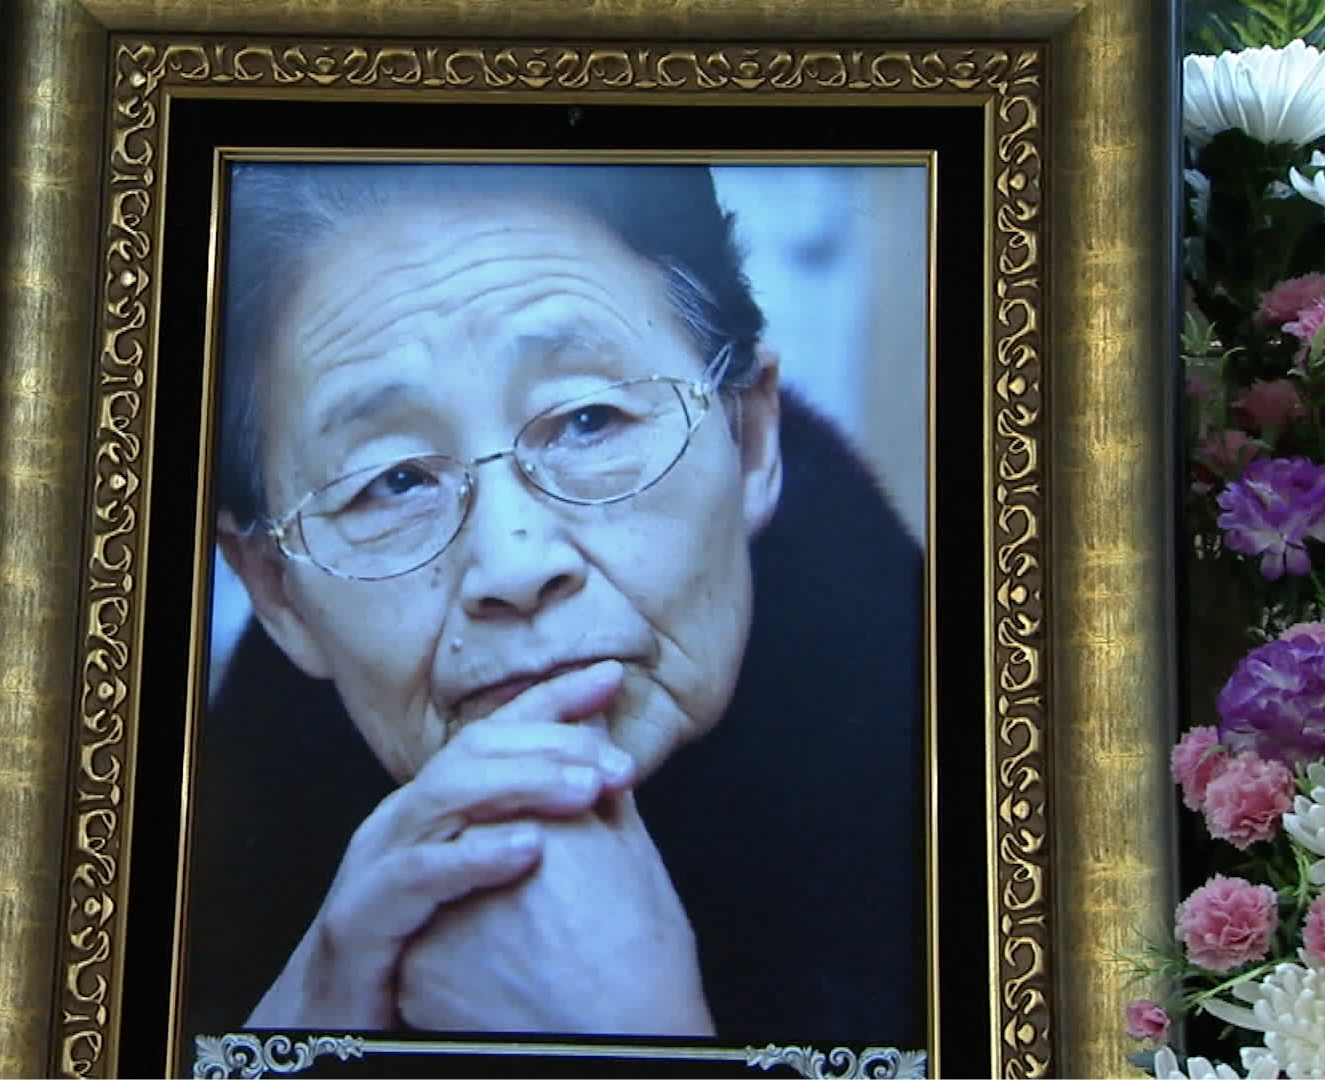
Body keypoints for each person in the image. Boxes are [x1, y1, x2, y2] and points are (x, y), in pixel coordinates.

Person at [184, 162, 925, 1051]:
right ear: (278, 592)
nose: (514, 563)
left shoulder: (994, 806)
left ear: (752, 441)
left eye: (588, 422)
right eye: (395, 481)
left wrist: (639, 1041)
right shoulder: (218, 852)